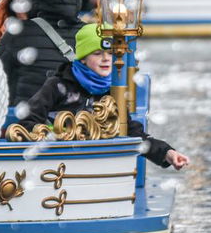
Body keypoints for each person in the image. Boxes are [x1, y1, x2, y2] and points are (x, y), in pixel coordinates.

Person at [19, 23, 190, 170]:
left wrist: (167, 153)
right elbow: (28, 122)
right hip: (59, 166)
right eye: (97, 53)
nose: (106, 59)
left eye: (110, 53)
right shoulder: (57, 85)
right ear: (83, 58)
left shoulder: (113, 92)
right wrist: (62, 133)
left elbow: (131, 133)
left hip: (96, 166)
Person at [0, 0, 85, 108]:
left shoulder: (16, 35)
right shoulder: (92, 33)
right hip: (79, 125)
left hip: (29, 125)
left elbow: (0, 89)